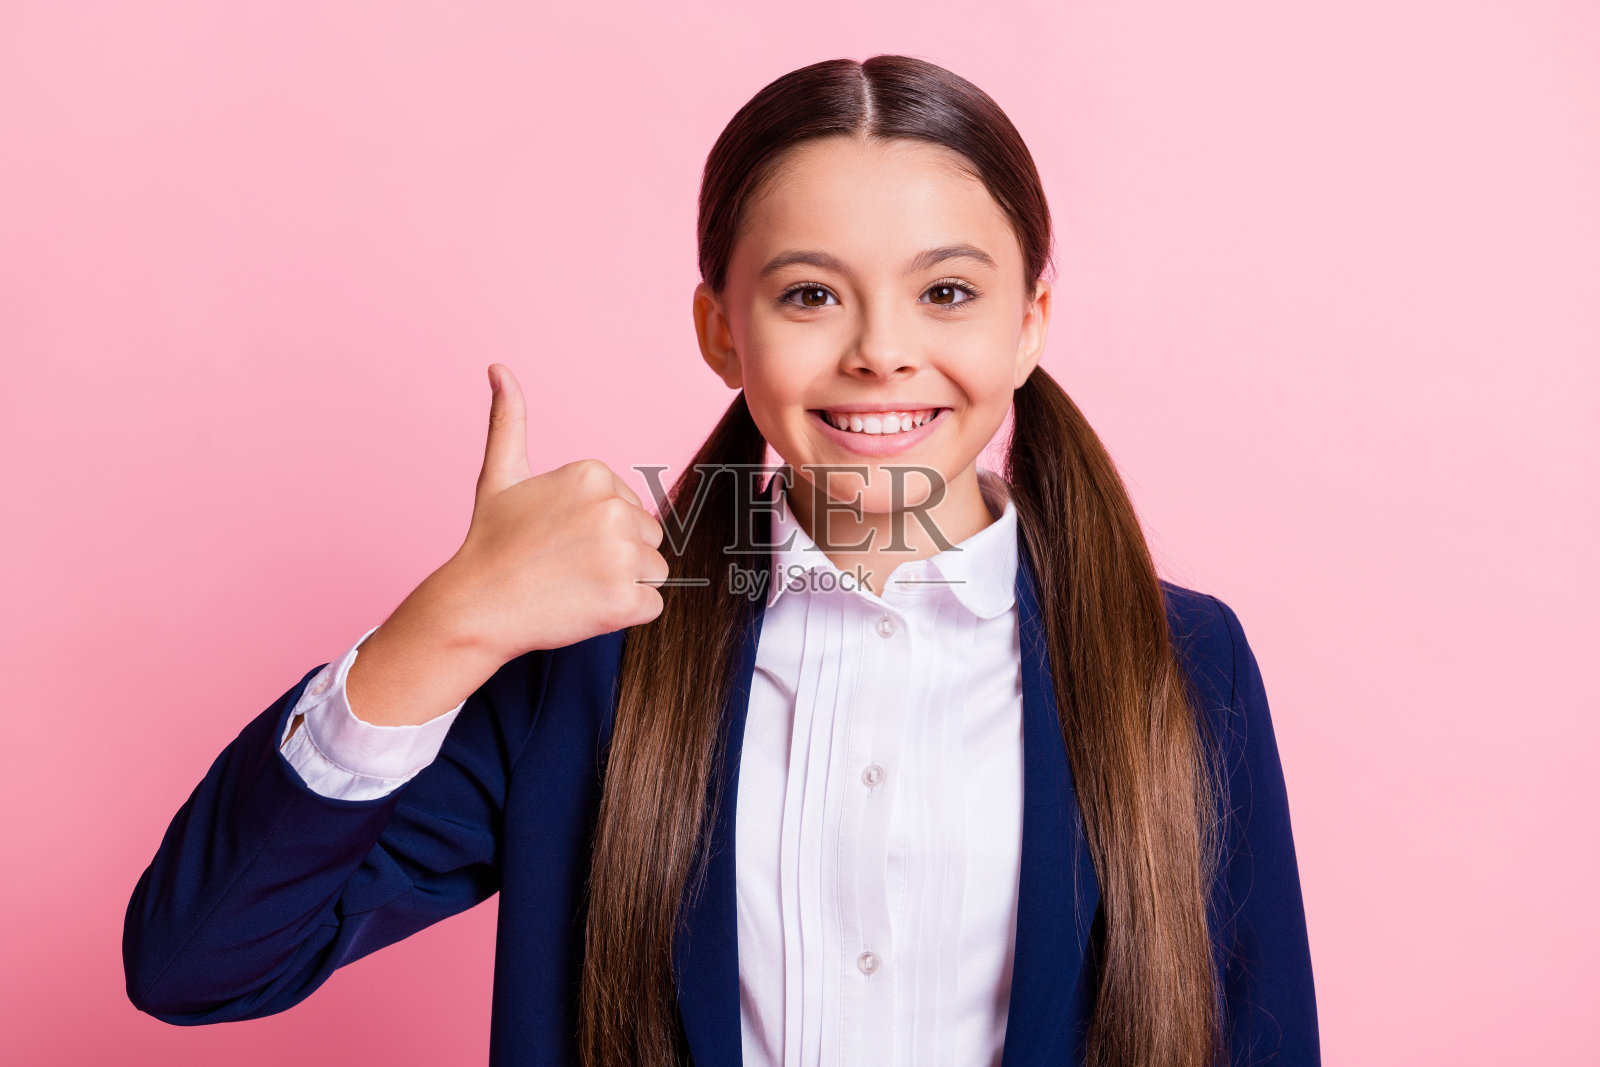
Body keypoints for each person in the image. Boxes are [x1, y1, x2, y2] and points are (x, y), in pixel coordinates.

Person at [123, 54, 1319, 1067]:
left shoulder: (1180, 657)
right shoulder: (593, 659)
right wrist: (444, 630)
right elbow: (199, 960)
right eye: (809, 295)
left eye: (946, 290)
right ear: (719, 328)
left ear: (1030, 321)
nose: (882, 353)